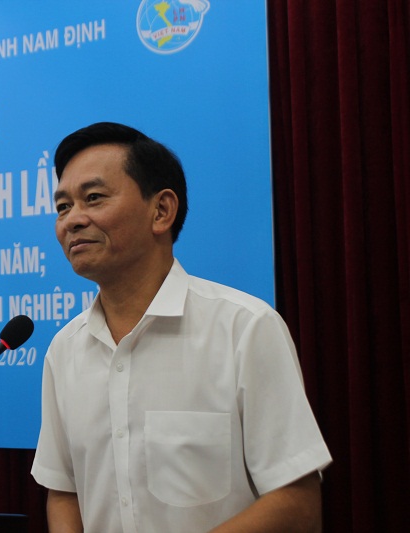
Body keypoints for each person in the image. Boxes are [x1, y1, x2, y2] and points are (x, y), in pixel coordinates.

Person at [31, 122, 332, 532]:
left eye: (94, 198)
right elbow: (65, 492)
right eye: (63, 206)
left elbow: (297, 504)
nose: (72, 221)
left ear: (161, 211)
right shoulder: (65, 348)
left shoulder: (244, 328)